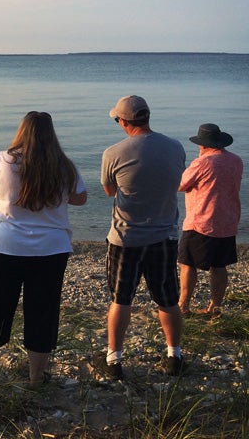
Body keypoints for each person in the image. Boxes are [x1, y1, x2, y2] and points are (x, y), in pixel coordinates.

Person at [0, 111, 87, 385]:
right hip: (51, 250)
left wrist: (4, 193)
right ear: (51, 134)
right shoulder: (64, 166)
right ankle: (37, 376)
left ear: (22, 131)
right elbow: (80, 199)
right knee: (43, 310)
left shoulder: (1, 159)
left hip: (7, 246)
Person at [98, 96, 186, 380]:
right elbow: (176, 181)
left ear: (124, 121)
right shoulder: (175, 147)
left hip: (126, 238)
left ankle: (114, 360)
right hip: (164, 236)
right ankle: (174, 355)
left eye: (117, 120)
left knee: (121, 300)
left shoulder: (114, 152)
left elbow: (110, 191)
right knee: (167, 299)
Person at [177, 123, 243, 318]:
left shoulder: (203, 162)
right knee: (219, 265)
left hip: (201, 220)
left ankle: (183, 305)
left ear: (202, 144)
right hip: (228, 220)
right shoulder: (236, 161)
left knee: (187, 262)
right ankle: (215, 307)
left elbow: (181, 184)